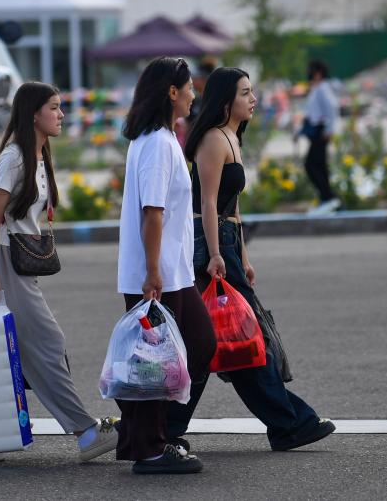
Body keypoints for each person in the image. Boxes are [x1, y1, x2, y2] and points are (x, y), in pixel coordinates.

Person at [0, 82, 117, 465]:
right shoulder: (15, 157)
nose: (61, 114)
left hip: (17, 263)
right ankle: (86, 432)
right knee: (47, 343)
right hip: (4, 262)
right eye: (54, 107)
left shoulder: (36, 157)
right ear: (34, 113)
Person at [166, 67, 336, 451]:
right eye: (245, 93)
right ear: (226, 100)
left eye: (252, 92)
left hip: (225, 243)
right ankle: (289, 423)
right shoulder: (212, 139)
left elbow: (232, 207)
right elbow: (206, 204)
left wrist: (243, 255)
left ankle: (286, 423)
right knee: (225, 338)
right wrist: (213, 255)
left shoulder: (232, 136)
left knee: (231, 340)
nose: (253, 99)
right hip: (207, 244)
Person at [115, 57, 217, 474]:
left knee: (199, 345)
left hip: (173, 271)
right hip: (157, 273)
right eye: (189, 87)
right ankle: (150, 449)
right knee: (154, 362)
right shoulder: (156, 142)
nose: (194, 93)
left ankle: (157, 432)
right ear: (171, 92)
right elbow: (152, 212)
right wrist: (153, 272)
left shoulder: (158, 138)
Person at [299, 59, 340, 214]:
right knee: (320, 165)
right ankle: (327, 198)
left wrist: (329, 129)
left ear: (318, 73)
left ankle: (328, 197)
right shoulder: (317, 88)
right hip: (317, 131)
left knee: (311, 165)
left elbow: (332, 107)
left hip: (321, 131)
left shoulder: (323, 88)